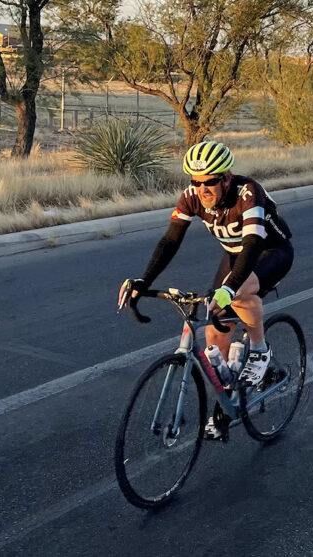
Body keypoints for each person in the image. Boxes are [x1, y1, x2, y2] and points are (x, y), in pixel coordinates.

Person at [118, 141, 294, 440]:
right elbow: (170, 241)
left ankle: (261, 352)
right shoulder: (192, 197)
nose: (203, 189)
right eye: (196, 182)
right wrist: (143, 282)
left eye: (210, 182)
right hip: (235, 254)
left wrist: (229, 288)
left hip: (269, 252)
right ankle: (228, 399)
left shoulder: (249, 193)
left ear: (226, 177)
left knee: (238, 295)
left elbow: (252, 247)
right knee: (214, 332)